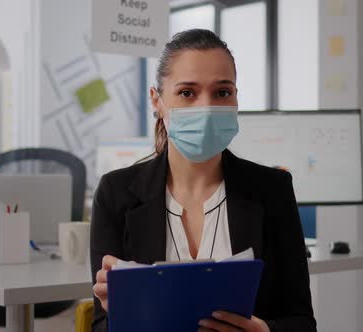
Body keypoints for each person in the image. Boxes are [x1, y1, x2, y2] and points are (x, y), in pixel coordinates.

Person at [90, 29, 317, 332]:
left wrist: (264, 331)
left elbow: (302, 323)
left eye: (222, 92)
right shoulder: (115, 193)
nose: (206, 108)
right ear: (156, 100)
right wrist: (123, 314)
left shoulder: (272, 190)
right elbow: (100, 327)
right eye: (187, 93)